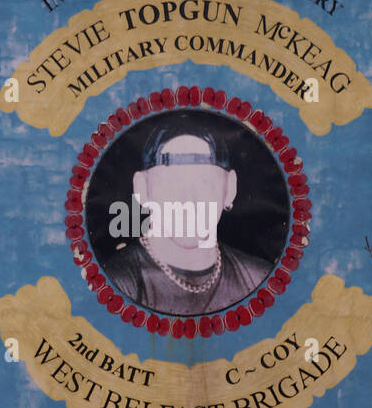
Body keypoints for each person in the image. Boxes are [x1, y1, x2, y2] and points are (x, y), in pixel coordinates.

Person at [101, 117, 271, 315]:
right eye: (171, 182)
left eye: (204, 182)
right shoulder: (116, 284)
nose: (188, 199)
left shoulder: (259, 278)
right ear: (141, 189)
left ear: (230, 189)